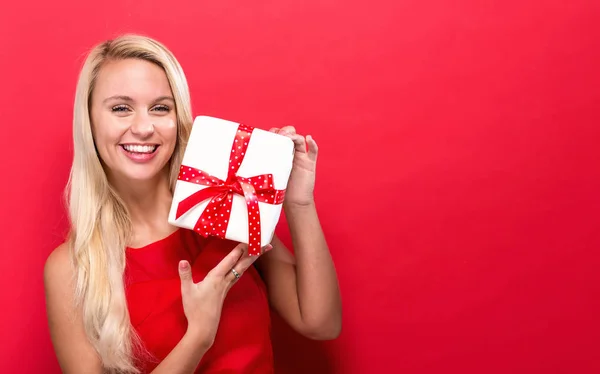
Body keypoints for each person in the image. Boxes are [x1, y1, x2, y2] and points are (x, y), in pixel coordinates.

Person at [43, 34, 342, 374]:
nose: (143, 127)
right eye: (121, 108)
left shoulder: (227, 211)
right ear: (90, 122)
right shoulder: (72, 267)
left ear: (178, 119)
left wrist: (299, 203)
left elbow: (320, 322)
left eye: (160, 108)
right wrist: (198, 335)